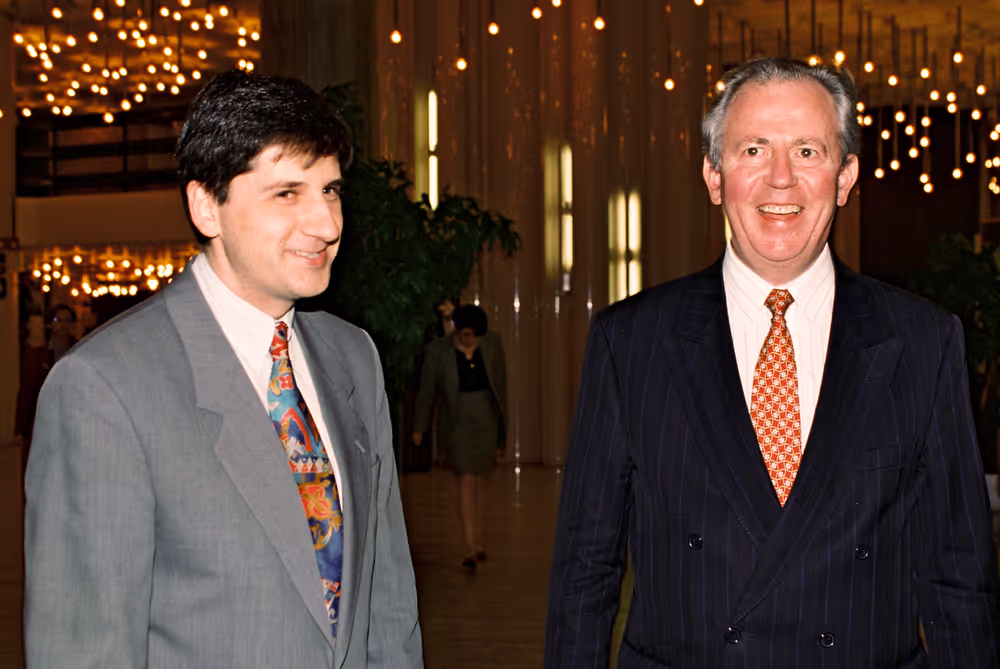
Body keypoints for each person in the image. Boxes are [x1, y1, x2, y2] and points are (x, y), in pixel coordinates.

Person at [545, 57, 1000, 667]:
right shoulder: (630, 342)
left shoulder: (923, 342)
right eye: (753, 150)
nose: (781, 179)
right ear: (714, 176)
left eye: (808, 152)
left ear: (845, 177)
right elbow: (584, 573)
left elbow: (958, 578)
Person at [24, 70, 423, 668]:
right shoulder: (104, 388)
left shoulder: (353, 357)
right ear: (206, 206)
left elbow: (386, 601)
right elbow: (86, 649)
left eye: (332, 190)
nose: (327, 224)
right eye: (288, 193)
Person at [413, 304, 507, 568]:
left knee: (479, 479)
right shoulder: (439, 352)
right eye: (464, 335)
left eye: (474, 336)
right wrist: (419, 427)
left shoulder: (492, 345)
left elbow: (501, 388)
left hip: (485, 422)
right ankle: (470, 545)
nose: (469, 341)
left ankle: (478, 539)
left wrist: (502, 432)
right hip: (457, 424)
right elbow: (428, 391)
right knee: (466, 478)